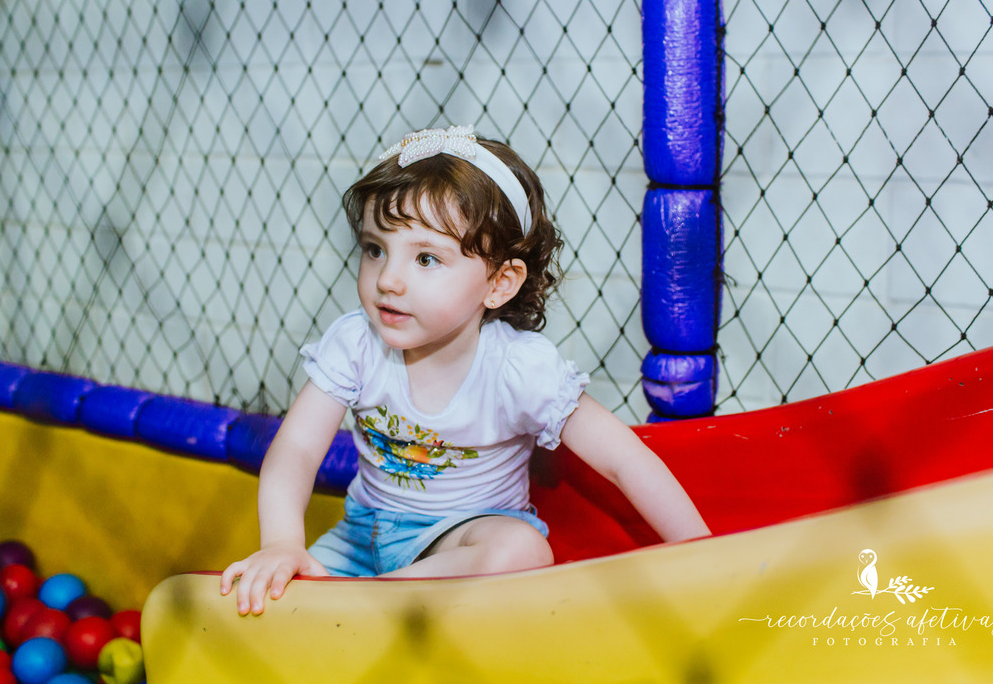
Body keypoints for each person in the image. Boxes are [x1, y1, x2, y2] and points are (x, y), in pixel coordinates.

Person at [220, 125, 709, 615]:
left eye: (426, 258)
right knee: (264, 598)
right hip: (361, 537)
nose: (388, 279)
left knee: (524, 550)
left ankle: (371, 604)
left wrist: (700, 551)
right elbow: (298, 449)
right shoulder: (356, 343)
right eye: (374, 249)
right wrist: (282, 543)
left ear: (499, 283)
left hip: (456, 543)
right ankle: (367, 601)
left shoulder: (518, 368)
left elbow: (625, 459)